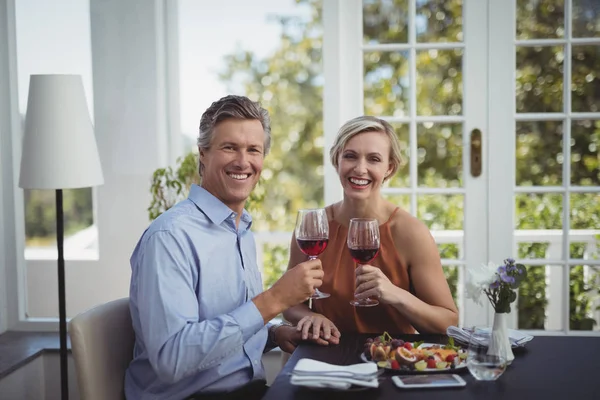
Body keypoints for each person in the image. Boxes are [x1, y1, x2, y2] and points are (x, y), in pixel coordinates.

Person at [125, 95, 337, 400]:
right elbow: (172, 359)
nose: (243, 161)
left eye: (254, 150)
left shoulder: (241, 231)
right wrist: (275, 298)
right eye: (229, 148)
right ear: (203, 153)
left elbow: (226, 329)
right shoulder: (170, 237)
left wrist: (276, 333)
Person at [283, 116, 459, 339]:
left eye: (374, 159)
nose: (360, 168)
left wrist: (396, 295)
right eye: (350, 156)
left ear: (389, 168)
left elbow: (448, 322)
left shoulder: (410, 233)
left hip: (391, 361)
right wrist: (310, 316)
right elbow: (289, 302)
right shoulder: (314, 228)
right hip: (324, 356)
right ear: (337, 160)